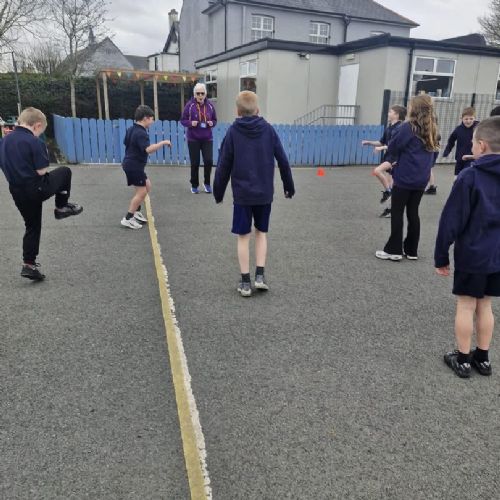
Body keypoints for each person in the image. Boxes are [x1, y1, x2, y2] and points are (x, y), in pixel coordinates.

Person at [434, 117, 500, 378]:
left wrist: (441, 256)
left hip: (473, 253)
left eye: (473, 142)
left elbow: (451, 220)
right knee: (486, 305)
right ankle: (483, 358)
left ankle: (462, 359)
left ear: (481, 146)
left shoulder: (469, 177)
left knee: (466, 305)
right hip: (497, 255)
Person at [213, 91, 295, 297]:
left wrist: (218, 192)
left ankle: (245, 282)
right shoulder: (269, 130)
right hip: (264, 193)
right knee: (261, 232)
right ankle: (260, 276)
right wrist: (288, 185)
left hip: (243, 194)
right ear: (257, 109)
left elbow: (223, 164)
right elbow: (283, 160)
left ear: (237, 111)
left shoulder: (233, 132)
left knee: (243, 236)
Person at [0, 107, 83, 281]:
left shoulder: (4, 140)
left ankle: (29, 265)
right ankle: (61, 207)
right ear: (37, 125)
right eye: (41, 131)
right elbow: (41, 170)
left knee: (32, 226)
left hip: (16, 190)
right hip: (36, 187)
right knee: (65, 172)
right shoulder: (34, 142)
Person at [375, 94, 439, 261]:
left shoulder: (408, 127)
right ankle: (411, 250)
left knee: (397, 212)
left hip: (405, 176)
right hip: (421, 178)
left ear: (414, 108)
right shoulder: (432, 128)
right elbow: (434, 153)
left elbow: (394, 146)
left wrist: (396, 159)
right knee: (413, 212)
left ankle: (394, 250)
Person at [121, 105, 171, 229]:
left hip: (131, 164)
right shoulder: (141, 133)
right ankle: (128, 218)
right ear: (145, 118)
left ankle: (136, 212)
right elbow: (148, 149)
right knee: (142, 191)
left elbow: (126, 142)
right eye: (151, 119)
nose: (152, 122)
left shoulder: (131, 129)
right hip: (134, 166)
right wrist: (163, 142)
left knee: (147, 185)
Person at [362, 105, 406, 216]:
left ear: (397, 115)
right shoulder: (389, 128)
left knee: (377, 171)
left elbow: (395, 145)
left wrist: (382, 148)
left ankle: (388, 192)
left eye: (391, 112)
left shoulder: (400, 128)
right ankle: (390, 208)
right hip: (389, 156)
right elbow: (382, 142)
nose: (388, 113)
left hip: (395, 157)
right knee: (392, 184)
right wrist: (369, 143)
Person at [181, 83, 217, 194]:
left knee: (209, 161)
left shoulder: (210, 106)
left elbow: (215, 120)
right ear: (194, 94)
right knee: (195, 163)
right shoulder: (190, 105)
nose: (200, 96)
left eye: (202, 93)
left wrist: (212, 123)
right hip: (193, 139)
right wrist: (190, 123)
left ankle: (207, 183)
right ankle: (194, 185)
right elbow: (183, 120)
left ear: (205, 94)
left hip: (207, 138)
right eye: (198, 93)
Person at [442, 107, 479, 179]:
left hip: (472, 158)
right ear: (461, 118)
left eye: (471, 119)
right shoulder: (458, 129)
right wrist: (446, 152)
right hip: (460, 158)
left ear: (475, 118)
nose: (468, 121)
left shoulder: (478, 129)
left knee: (466, 176)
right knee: (456, 177)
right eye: (466, 119)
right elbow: (451, 141)